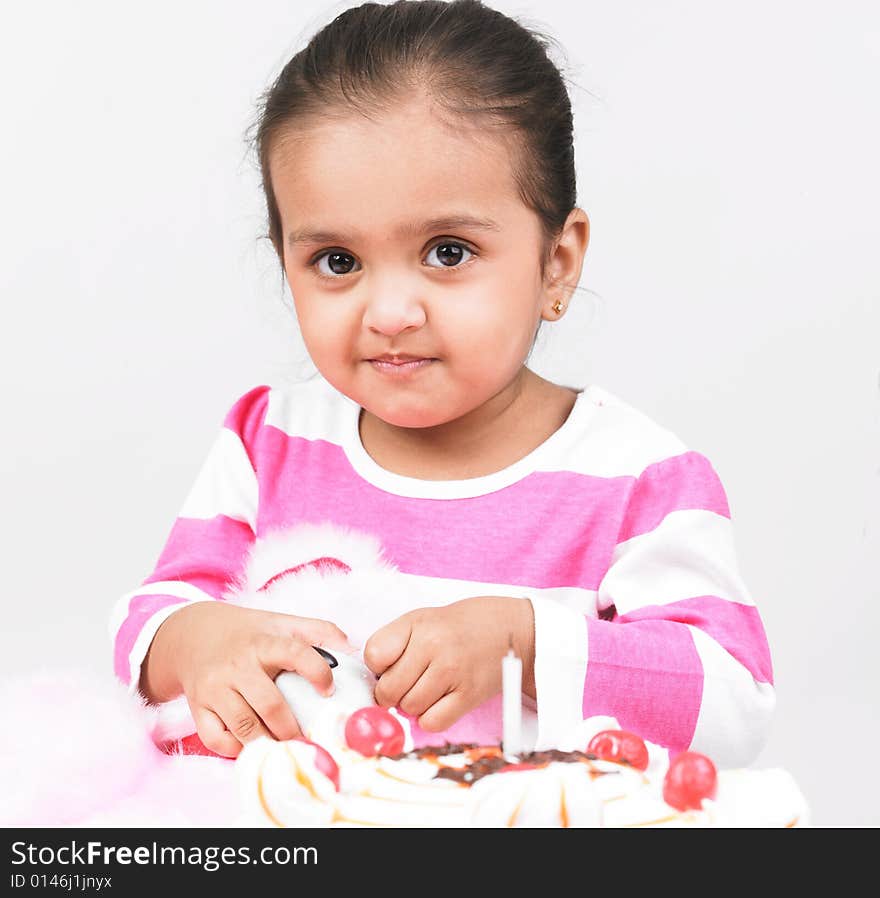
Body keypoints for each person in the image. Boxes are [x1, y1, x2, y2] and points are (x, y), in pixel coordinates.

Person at [110, 0, 774, 766]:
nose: (390, 313)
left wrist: (522, 641)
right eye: (337, 261)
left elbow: (733, 701)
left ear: (555, 261)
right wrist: (197, 642)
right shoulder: (271, 441)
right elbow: (151, 620)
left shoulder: (634, 480)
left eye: (449, 252)